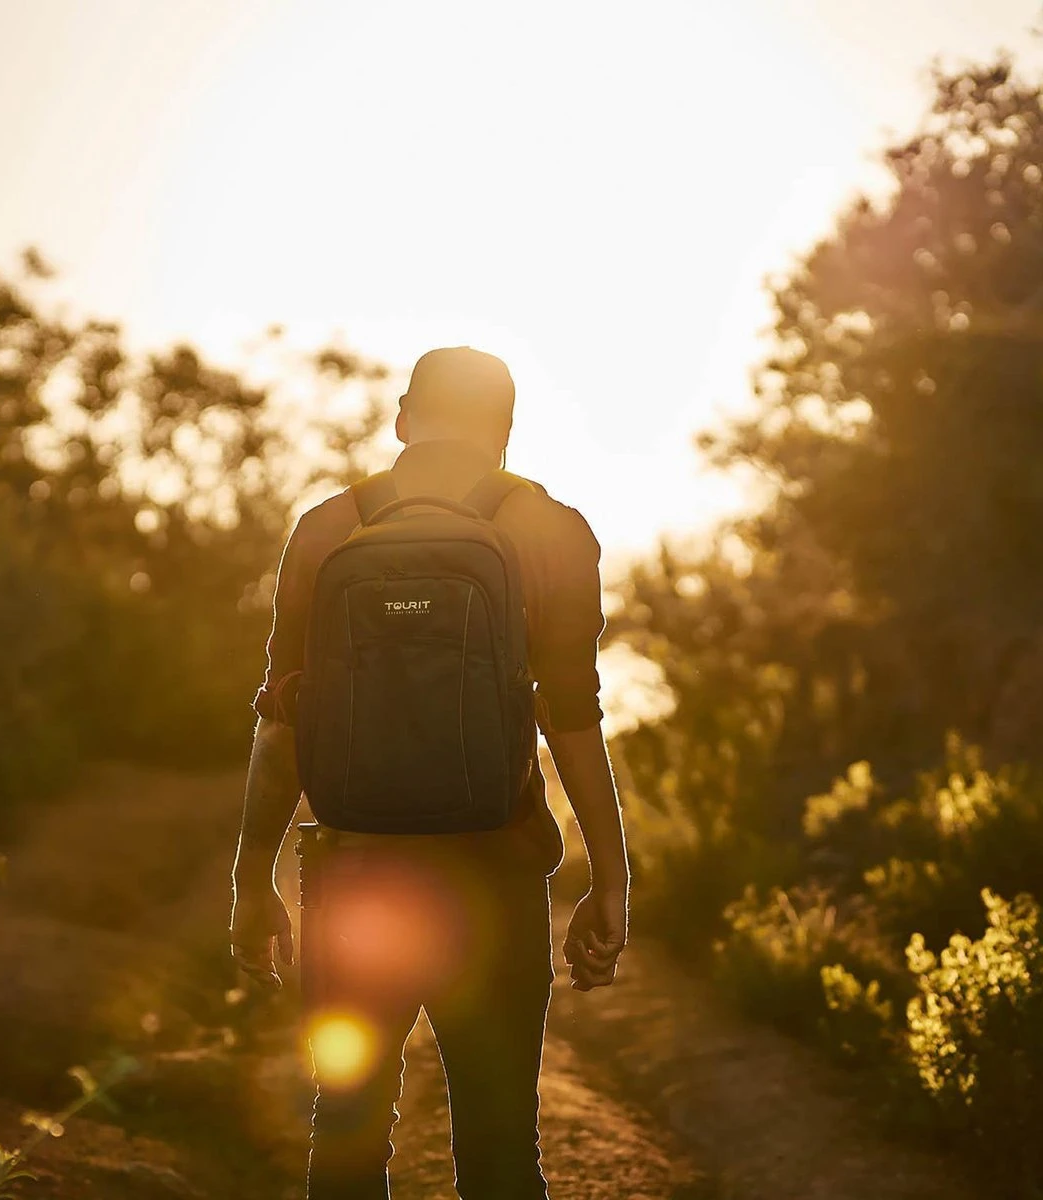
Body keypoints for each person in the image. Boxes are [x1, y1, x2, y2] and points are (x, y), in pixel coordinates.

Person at [230, 346, 629, 1200]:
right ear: (506, 434)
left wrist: (250, 877)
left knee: (344, 1135)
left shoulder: (327, 530)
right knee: (497, 1147)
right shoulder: (554, 533)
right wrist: (612, 875)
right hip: (492, 878)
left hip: (353, 879)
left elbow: (281, 723)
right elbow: (574, 721)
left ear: (404, 418)